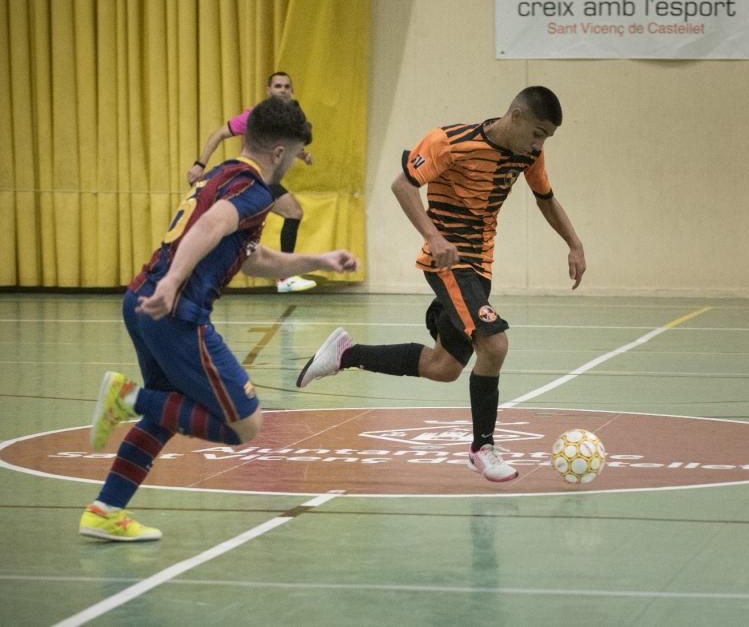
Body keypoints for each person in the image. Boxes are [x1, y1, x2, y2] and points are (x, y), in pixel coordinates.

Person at [79, 97, 358, 541]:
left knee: (169, 411)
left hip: (141, 301)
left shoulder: (222, 173)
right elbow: (209, 227)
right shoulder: (254, 190)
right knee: (243, 422)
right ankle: (127, 399)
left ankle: (106, 509)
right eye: (294, 156)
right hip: (175, 313)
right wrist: (173, 282)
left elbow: (252, 258)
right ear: (279, 154)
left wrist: (318, 260)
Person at [297, 86, 585, 482]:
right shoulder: (449, 142)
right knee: (495, 343)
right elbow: (402, 185)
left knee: (444, 366)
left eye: (546, 138)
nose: (538, 143)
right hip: (448, 262)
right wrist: (433, 236)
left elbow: (546, 198)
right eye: (537, 132)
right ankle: (482, 448)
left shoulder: (528, 155)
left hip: (480, 269)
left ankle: (345, 353)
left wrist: (574, 243)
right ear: (516, 115)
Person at [187, 71, 317, 293]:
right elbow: (218, 134)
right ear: (268, 91)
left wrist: (302, 155)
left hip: (265, 179)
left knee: (262, 223)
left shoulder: (288, 119)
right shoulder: (254, 117)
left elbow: (282, 146)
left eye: (287, 86)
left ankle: (282, 276)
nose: (283, 90)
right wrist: (199, 164)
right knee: (250, 225)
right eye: (278, 86)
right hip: (250, 177)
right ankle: (283, 276)